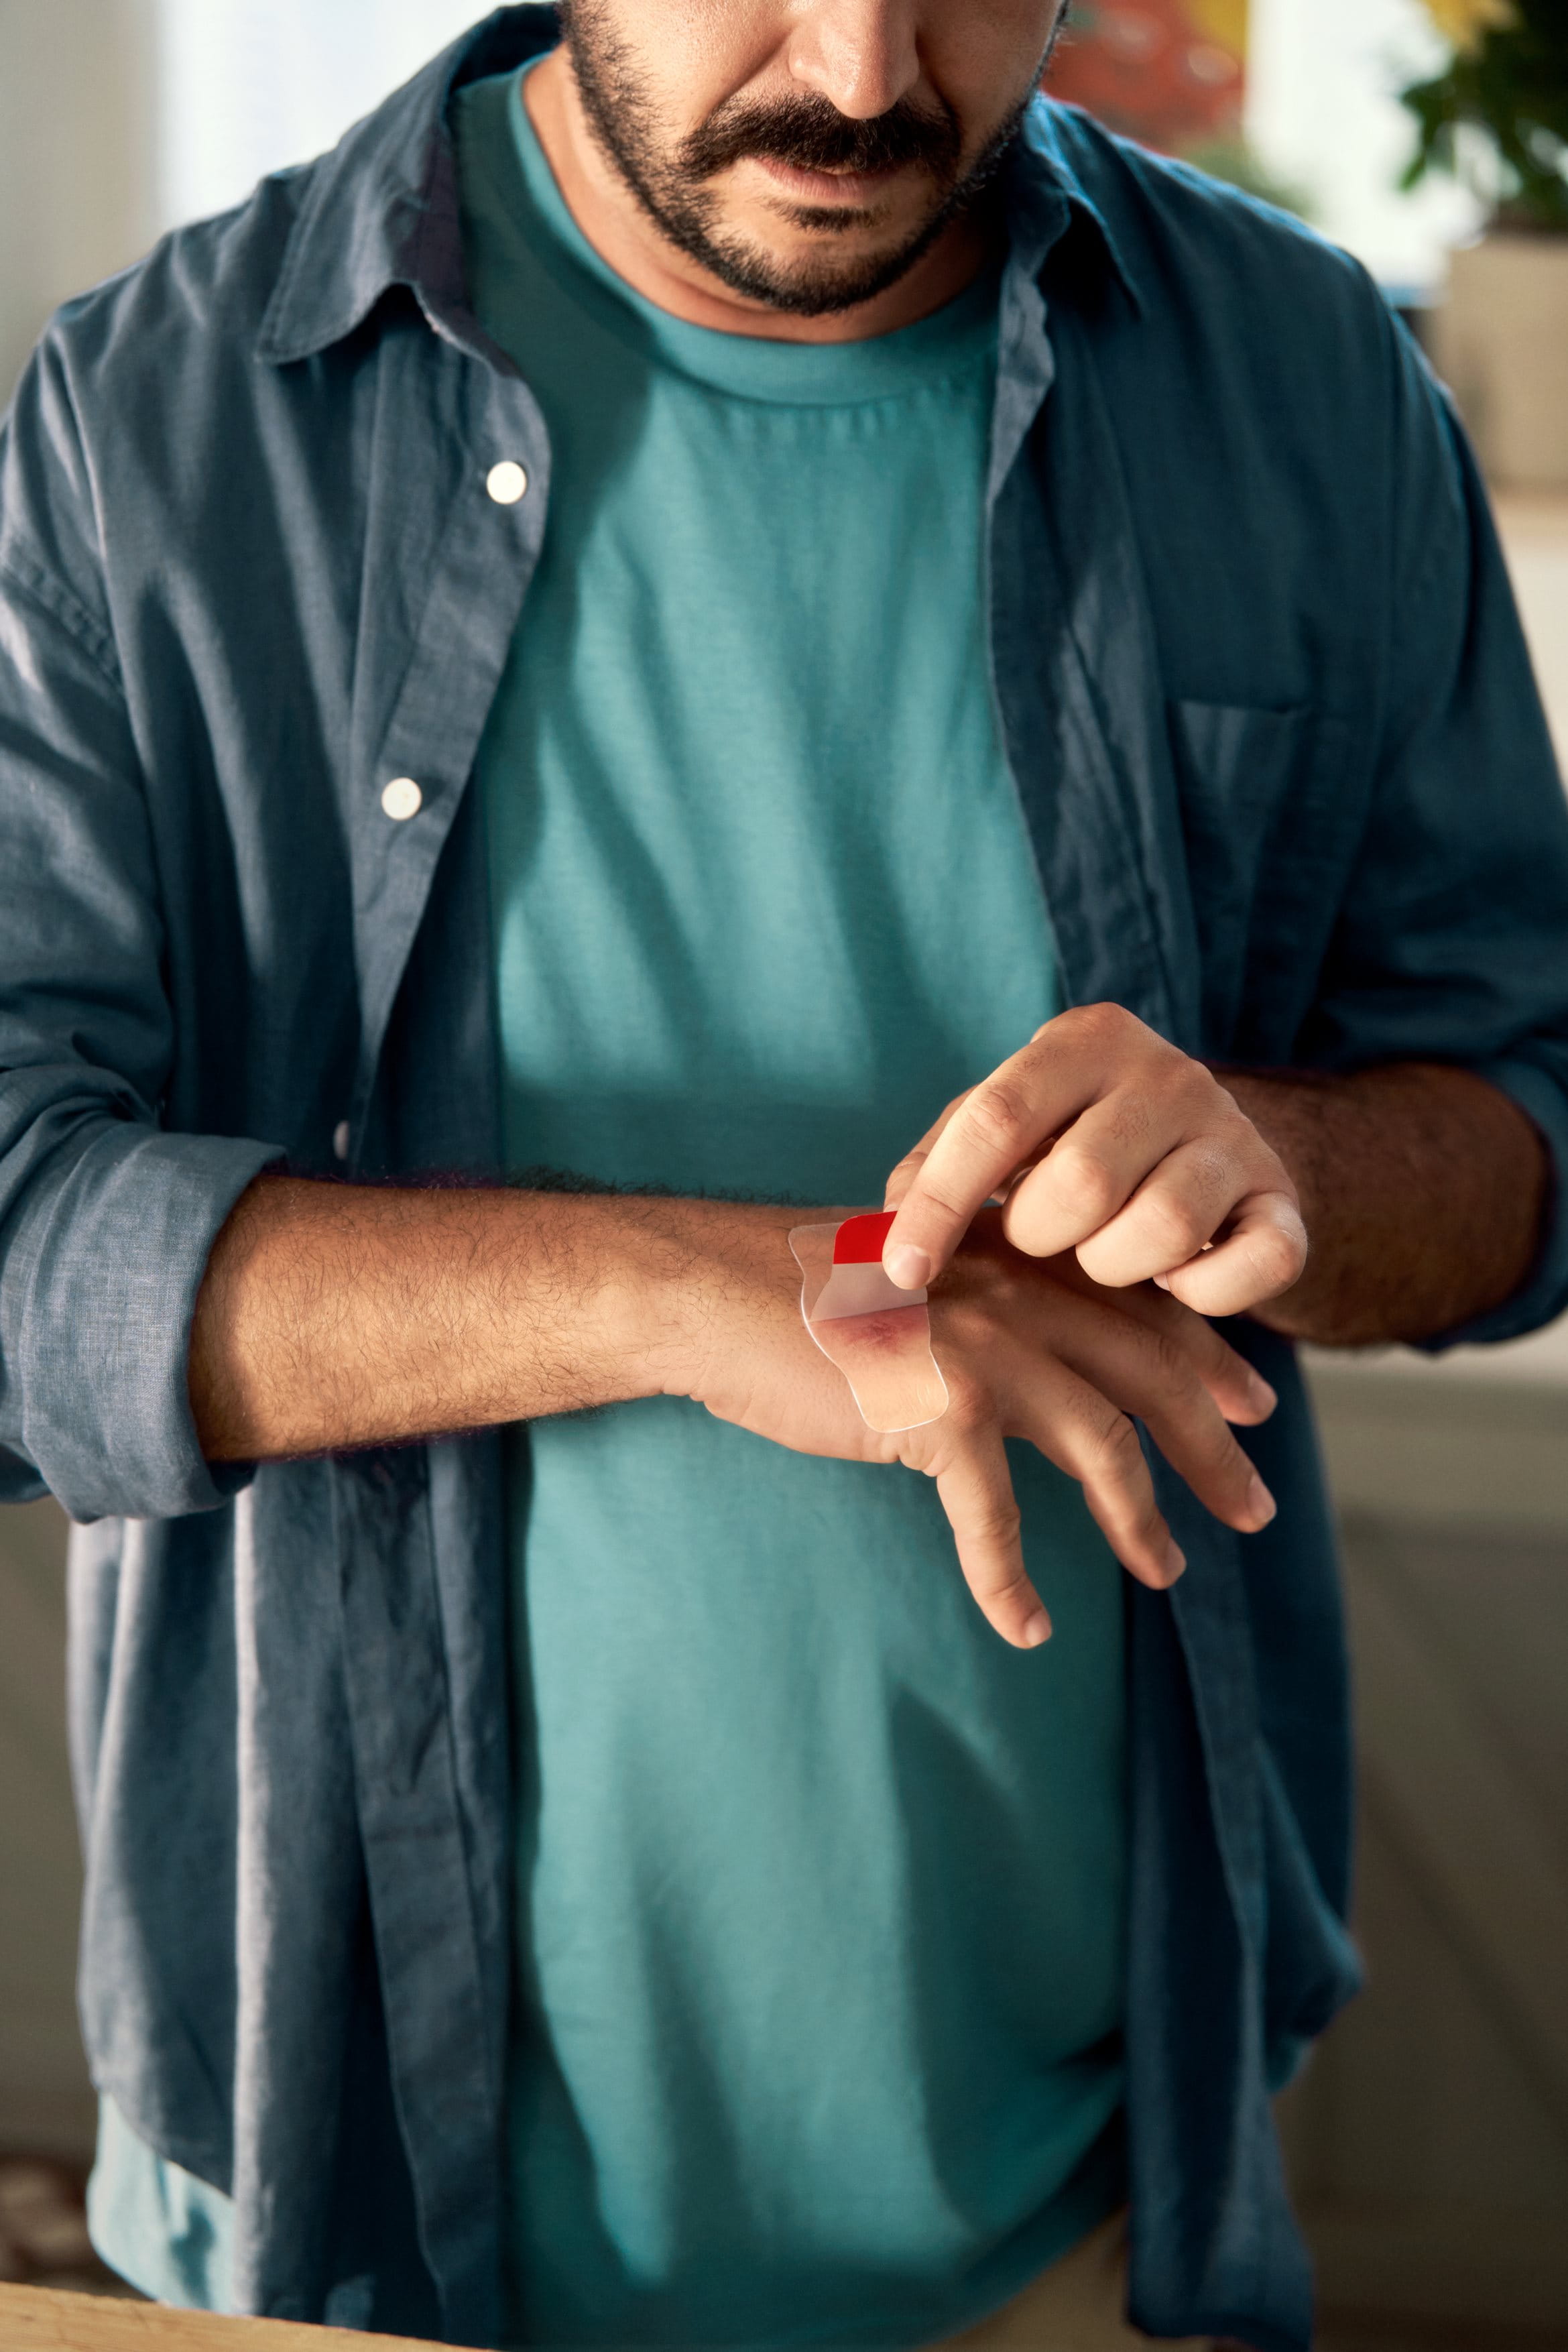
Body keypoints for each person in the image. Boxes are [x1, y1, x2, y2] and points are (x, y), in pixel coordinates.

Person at [1, 2, 1564, 2345]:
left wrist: (1290, 1163)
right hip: (338, 2205)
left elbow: (1523, 1132)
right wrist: (696, 1292)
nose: (854, 71)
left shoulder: (1305, 382)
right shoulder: (151, 415)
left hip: (1094, 2200)